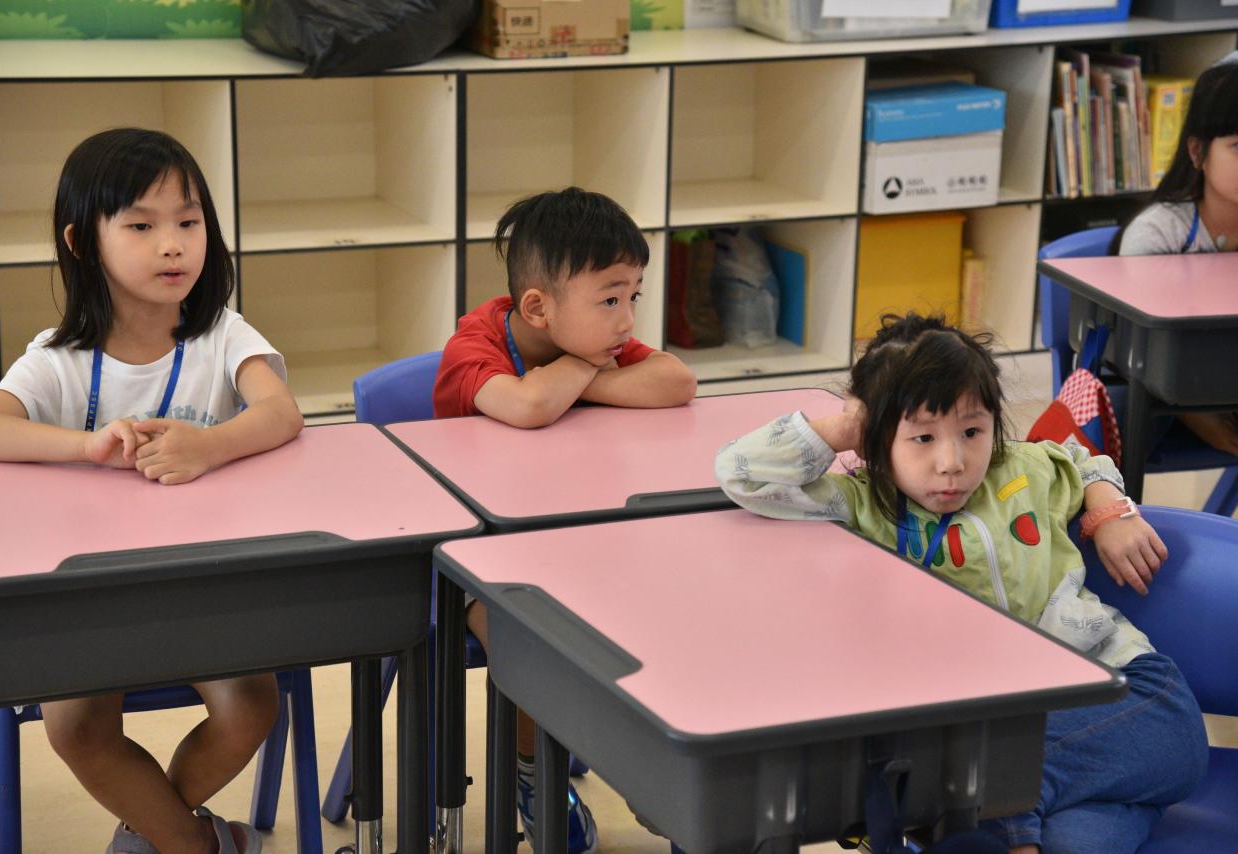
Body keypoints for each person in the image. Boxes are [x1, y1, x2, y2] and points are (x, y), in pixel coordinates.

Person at [715, 313, 1208, 854]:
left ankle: (995, 819)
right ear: (877, 437)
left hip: (1128, 689)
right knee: (1062, 837)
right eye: (922, 437)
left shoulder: (1022, 468)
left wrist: (1109, 509)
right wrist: (848, 426)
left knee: (985, 783)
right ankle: (1029, 819)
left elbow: (1083, 460)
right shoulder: (862, 505)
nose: (951, 462)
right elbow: (743, 474)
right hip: (994, 731)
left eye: (972, 432)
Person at [0, 128, 304, 854]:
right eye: (142, 226)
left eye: (189, 222)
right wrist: (84, 447)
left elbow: (282, 413)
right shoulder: (58, 358)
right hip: (87, 598)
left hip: (200, 585)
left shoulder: (222, 335)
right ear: (83, 243)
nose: (173, 245)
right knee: (76, 728)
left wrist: (209, 444)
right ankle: (197, 845)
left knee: (252, 706)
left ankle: (152, 837)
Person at [433, 187, 696, 851]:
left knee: (660, 617)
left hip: (577, 543)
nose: (627, 320)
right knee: (532, 643)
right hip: (474, 560)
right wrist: (578, 370)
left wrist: (574, 379)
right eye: (610, 300)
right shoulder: (475, 343)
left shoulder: (592, 344)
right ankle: (532, 769)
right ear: (537, 308)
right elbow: (525, 408)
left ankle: (643, 762)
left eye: (634, 296)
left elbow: (676, 382)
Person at [1117, 52, 1238, 454]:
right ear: (1197, 152)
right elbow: (1143, 350)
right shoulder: (1157, 234)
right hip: (1155, 395)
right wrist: (1207, 423)